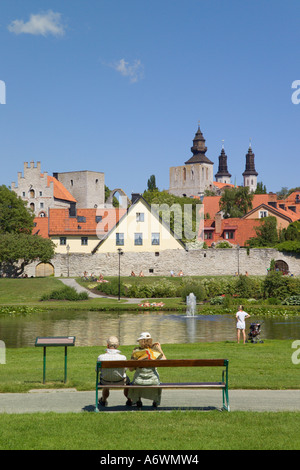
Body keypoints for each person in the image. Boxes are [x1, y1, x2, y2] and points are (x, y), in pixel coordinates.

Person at [128, 332, 166, 408]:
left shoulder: (136, 352)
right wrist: (159, 348)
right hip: (153, 380)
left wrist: (133, 356)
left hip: (138, 381)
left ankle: (138, 400)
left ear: (141, 341)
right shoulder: (154, 352)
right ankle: (155, 401)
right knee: (156, 378)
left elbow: (131, 369)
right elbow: (164, 361)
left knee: (136, 378)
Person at [96, 336, 132, 407]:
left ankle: (103, 400)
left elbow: (97, 370)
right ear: (117, 346)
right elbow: (125, 369)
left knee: (105, 379)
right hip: (121, 381)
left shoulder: (101, 357)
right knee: (127, 381)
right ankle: (129, 399)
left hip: (105, 381)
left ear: (107, 345)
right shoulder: (123, 357)